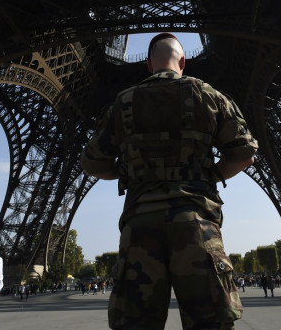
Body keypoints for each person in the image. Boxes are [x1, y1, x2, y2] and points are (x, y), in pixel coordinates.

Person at [80, 32, 258, 330]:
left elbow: (92, 163)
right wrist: (212, 175)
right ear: (183, 61)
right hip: (197, 222)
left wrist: (126, 174)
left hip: (140, 225)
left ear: (148, 65)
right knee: (210, 323)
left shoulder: (122, 102)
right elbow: (244, 154)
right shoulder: (209, 95)